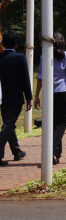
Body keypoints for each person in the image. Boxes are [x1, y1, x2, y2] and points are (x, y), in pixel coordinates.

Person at [33, 32, 66, 165]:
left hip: (49, 94)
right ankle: (54, 150)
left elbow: (40, 77)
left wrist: (37, 95)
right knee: (61, 123)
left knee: (52, 124)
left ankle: (56, 153)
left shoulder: (45, 56)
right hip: (62, 93)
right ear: (63, 42)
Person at [0, 30, 33, 166]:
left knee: (9, 124)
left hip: (2, 96)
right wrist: (29, 97)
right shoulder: (19, 58)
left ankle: (17, 151)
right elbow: (25, 78)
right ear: (16, 44)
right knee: (7, 125)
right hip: (15, 97)